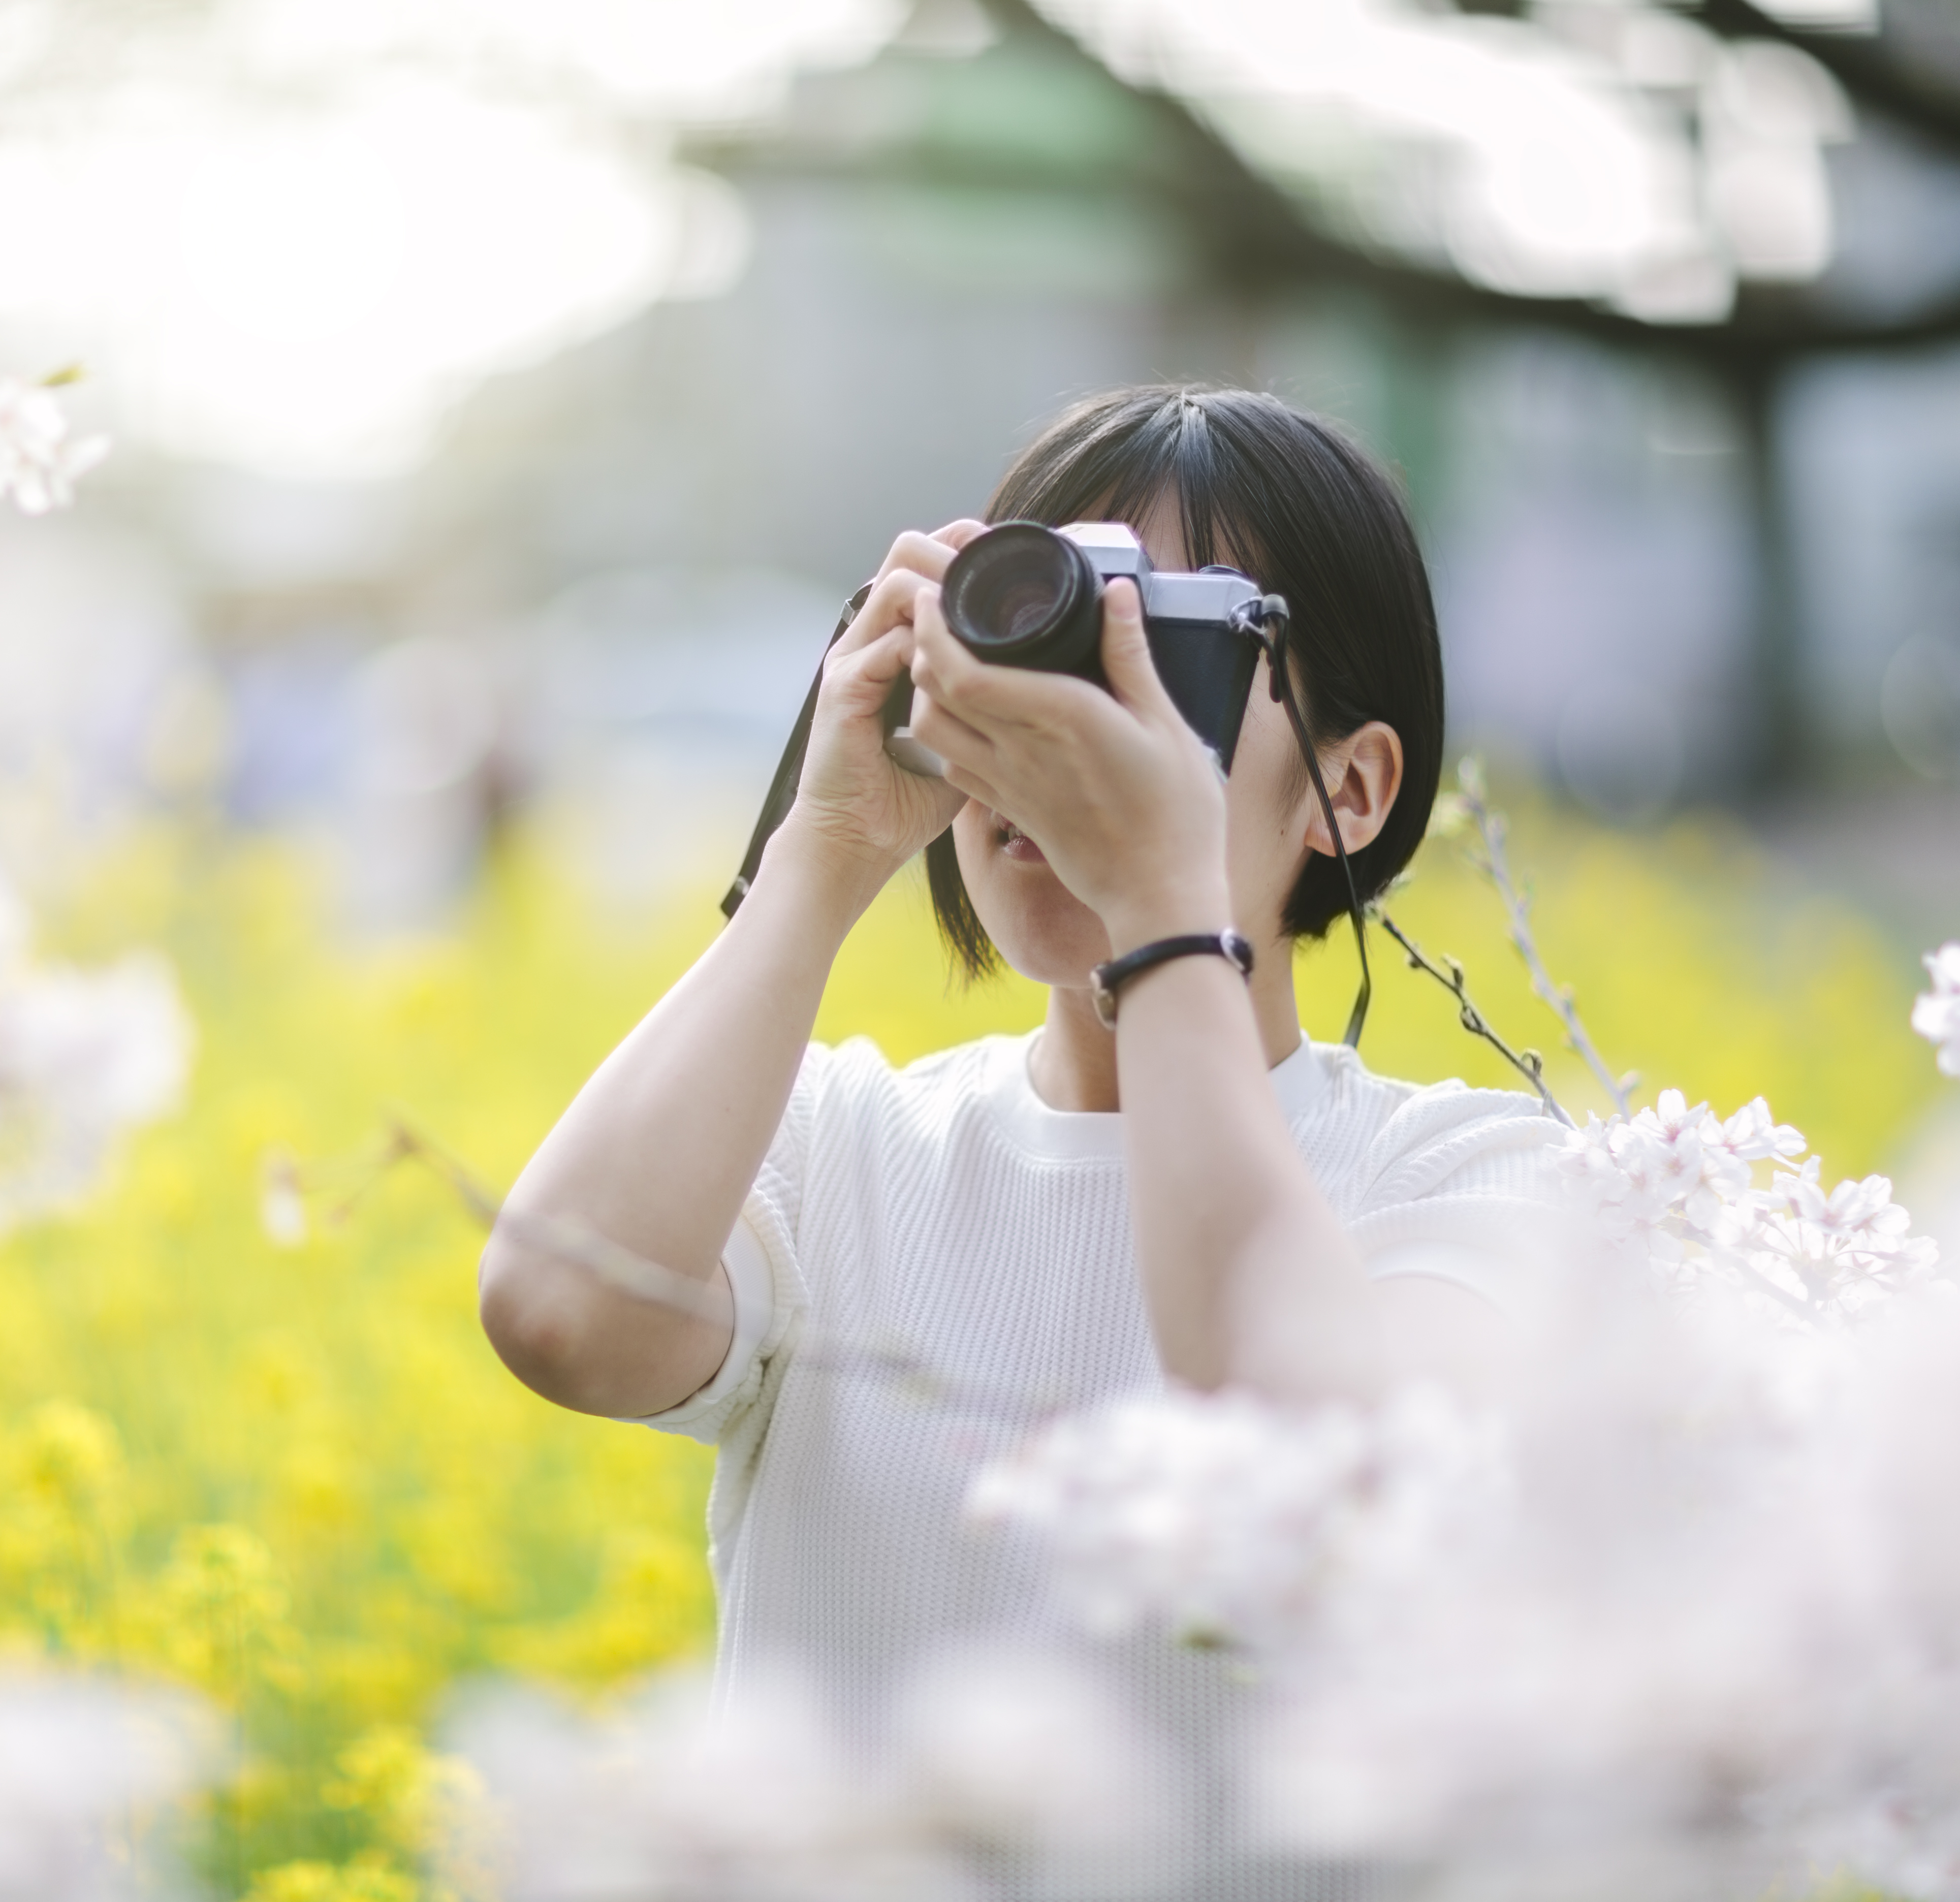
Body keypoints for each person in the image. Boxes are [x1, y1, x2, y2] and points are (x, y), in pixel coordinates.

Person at [478, 386, 1563, 1895]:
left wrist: (1164, 918)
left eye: (1163, 654)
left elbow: (1305, 1472)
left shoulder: (1479, 1182)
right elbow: (561, 1316)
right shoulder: (839, 1148)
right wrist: (829, 845)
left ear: (1353, 787)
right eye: (1047, 636)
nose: (1077, 725)